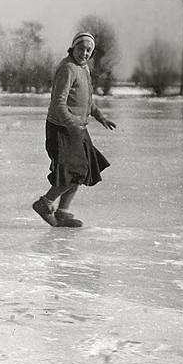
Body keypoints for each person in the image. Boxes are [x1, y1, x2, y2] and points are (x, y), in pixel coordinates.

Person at [32, 32, 116, 228]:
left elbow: (87, 101)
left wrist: (100, 116)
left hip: (77, 127)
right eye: (81, 48)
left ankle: (62, 212)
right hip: (62, 128)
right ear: (73, 48)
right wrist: (71, 124)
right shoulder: (68, 68)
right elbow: (58, 102)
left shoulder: (83, 69)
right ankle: (44, 204)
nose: (85, 53)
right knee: (72, 171)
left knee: (81, 172)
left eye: (89, 50)